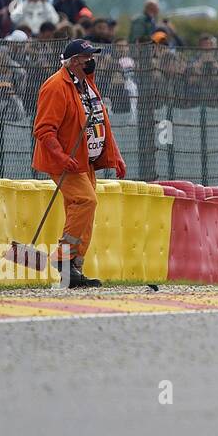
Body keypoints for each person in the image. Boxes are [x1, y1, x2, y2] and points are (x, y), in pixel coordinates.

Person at [31, 38, 127, 288]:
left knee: (83, 210)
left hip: (86, 161)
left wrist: (114, 154)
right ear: (73, 62)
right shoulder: (55, 86)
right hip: (66, 161)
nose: (91, 61)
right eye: (86, 58)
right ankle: (64, 259)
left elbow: (101, 122)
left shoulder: (87, 84)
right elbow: (44, 130)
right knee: (86, 201)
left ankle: (73, 270)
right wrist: (62, 157)